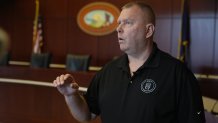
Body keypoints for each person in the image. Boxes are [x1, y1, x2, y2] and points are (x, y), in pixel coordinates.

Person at [53, 1, 205, 123]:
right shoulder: (108, 71)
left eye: (128, 22)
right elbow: (87, 115)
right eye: (119, 23)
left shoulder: (177, 73)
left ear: (148, 31)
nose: (118, 29)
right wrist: (70, 96)